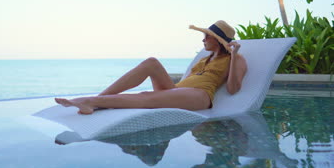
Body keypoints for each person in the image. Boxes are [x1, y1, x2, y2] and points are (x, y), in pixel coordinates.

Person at [55, 20, 247, 114]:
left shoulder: (235, 59)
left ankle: (91, 102)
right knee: (151, 63)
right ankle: (98, 99)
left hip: (199, 96)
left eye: (208, 36)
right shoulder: (203, 59)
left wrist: (234, 55)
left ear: (219, 40)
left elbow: (233, 89)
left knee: (146, 96)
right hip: (179, 91)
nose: (203, 39)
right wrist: (170, 91)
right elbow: (184, 81)